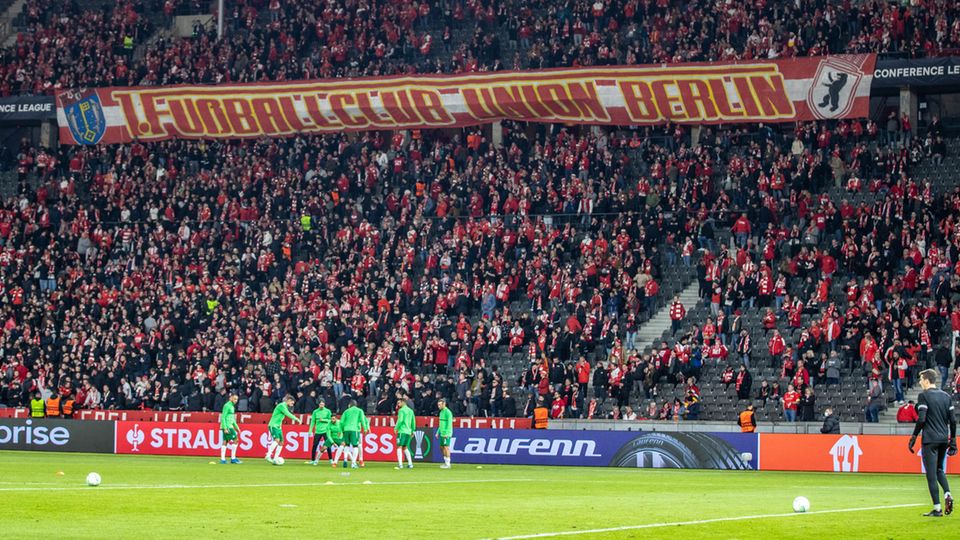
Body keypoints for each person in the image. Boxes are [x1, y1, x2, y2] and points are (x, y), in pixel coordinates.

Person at [908, 369, 957, 517]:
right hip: (943, 439)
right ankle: (947, 493)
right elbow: (953, 421)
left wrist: (914, 436)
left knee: (931, 475)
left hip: (930, 439)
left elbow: (922, 419)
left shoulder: (924, 396)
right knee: (939, 470)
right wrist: (953, 440)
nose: (920, 382)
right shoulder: (946, 396)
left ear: (927, 380)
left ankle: (937, 509)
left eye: (921, 379)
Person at [265, 395, 302, 464]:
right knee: (277, 440)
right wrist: (296, 419)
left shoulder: (285, 407)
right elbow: (287, 414)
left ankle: (275, 458)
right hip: (273, 425)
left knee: (281, 442)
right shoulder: (282, 405)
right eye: (292, 403)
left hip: (278, 427)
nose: (292, 404)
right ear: (288, 400)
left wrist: (280, 426)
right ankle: (268, 455)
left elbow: (280, 418)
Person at [334, 399, 366, 469]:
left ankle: (342, 460)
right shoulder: (359, 410)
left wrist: (340, 431)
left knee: (346, 445)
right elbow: (363, 420)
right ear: (356, 405)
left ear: (350, 405)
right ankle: (353, 463)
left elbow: (341, 422)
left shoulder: (346, 411)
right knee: (355, 446)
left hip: (346, 430)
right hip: (354, 430)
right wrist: (365, 429)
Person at [307, 398, 331, 465]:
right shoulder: (315, 412)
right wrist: (310, 431)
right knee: (314, 445)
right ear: (318, 404)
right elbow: (312, 422)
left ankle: (331, 459)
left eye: (323, 404)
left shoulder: (328, 411)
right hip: (318, 431)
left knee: (328, 445)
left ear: (324, 404)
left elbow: (330, 420)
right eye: (320, 404)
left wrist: (323, 420)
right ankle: (312, 460)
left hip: (326, 431)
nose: (321, 405)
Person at [219, 391, 241, 464]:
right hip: (228, 426)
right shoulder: (227, 405)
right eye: (234, 399)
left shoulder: (231, 406)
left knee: (225, 441)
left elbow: (232, 419)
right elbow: (223, 417)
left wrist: (237, 428)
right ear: (230, 398)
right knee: (236, 440)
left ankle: (223, 459)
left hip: (229, 425)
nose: (236, 401)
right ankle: (233, 458)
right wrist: (225, 428)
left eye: (236, 399)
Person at [395, 398, 416, 470]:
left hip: (402, 431)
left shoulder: (401, 410)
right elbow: (413, 421)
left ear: (403, 402)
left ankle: (400, 464)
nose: (398, 404)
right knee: (405, 447)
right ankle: (410, 464)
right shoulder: (410, 411)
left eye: (399, 403)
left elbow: (400, 420)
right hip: (408, 431)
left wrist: (396, 428)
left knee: (399, 447)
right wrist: (413, 431)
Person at [437, 398, 453, 469]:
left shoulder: (448, 412)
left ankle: (448, 463)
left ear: (444, 404)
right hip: (442, 433)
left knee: (446, 447)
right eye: (438, 405)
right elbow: (441, 424)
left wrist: (447, 433)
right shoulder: (441, 412)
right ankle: (445, 461)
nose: (439, 406)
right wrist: (438, 432)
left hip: (446, 433)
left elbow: (449, 424)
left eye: (440, 405)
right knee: (441, 447)